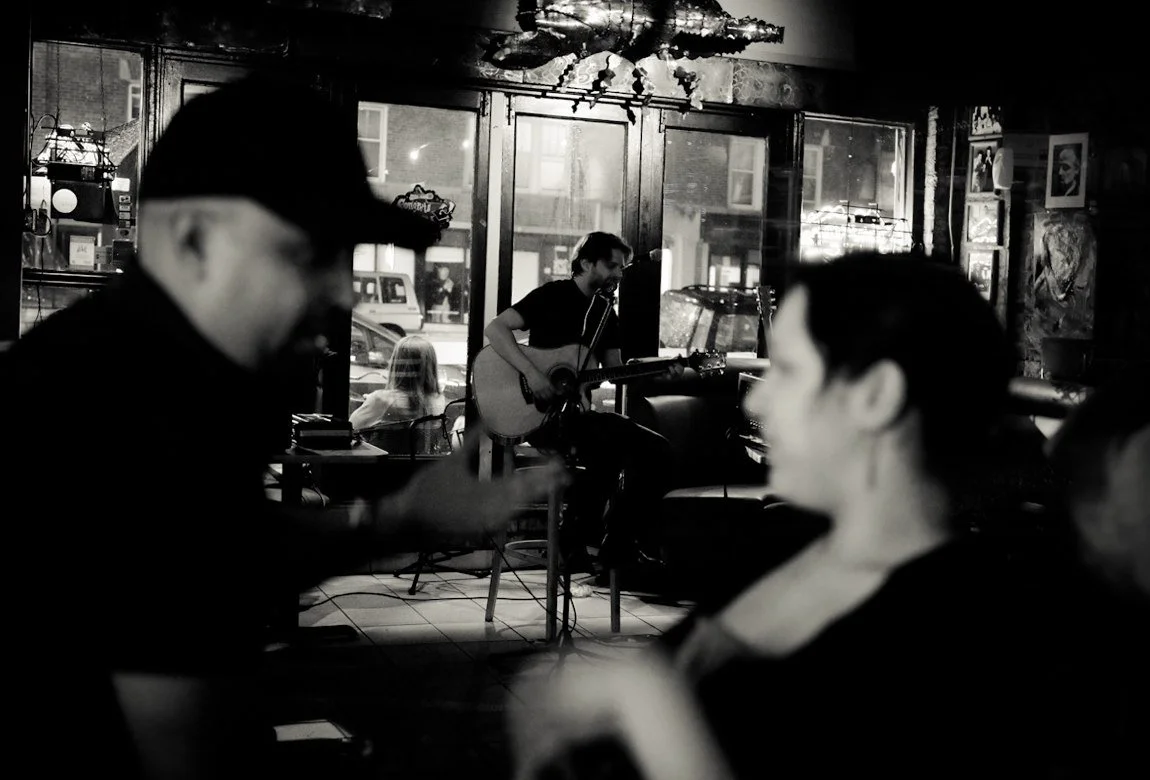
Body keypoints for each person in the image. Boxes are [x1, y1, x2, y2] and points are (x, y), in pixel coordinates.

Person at [2, 76, 566, 780]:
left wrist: (401, 518)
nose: (341, 292)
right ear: (196, 238)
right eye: (308, 254)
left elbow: (219, 549)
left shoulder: (146, 363)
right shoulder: (137, 409)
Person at [509, 252, 1052, 779]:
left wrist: (649, 706)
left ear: (876, 395)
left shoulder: (961, 631)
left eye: (789, 372)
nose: (757, 405)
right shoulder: (781, 544)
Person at [483, 231, 679, 576]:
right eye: (612, 265)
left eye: (623, 267)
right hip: (540, 419)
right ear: (586, 262)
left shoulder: (606, 314)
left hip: (580, 418)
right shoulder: (552, 295)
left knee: (656, 450)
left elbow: (616, 373)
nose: (619, 273)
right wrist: (534, 373)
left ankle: (616, 541)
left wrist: (664, 371)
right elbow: (496, 328)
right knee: (605, 447)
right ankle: (579, 539)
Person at [349, 334, 447, 430]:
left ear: (396, 364)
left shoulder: (382, 400)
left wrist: (372, 401)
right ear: (431, 365)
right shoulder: (438, 400)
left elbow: (351, 426)